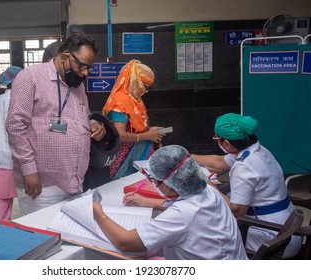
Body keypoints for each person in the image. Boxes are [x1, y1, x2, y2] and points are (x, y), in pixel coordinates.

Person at [5, 32, 106, 215]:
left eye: (88, 68)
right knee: (42, 238)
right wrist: (29, 170)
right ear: (65, 56)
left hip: (75, 181)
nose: (85, 73)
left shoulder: (78, 85)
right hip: (42, 185)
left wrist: (92, 124)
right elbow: (15, 125)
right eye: (82, 66)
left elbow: (83, 115)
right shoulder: (30, 77)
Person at [93, 145, 248, 260]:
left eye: (153, 179)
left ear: (168, 183)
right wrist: (145, 201)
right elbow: (181, 206)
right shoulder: (209, 189)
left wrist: (99, 213)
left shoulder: (181, 214)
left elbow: (125, 242)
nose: (152, 183)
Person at [192, 112, 302, 259]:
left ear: (226, 143)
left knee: (203, 237)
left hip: (274, 241)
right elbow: (220, 162)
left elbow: (237, 211)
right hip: (288, 228)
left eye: (216, 139)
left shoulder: (244, 166)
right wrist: (187, 157)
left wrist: (208, 184)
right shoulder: (258, 150)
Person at [102, 59, 166, 180]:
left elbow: (133, 126)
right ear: (134, 81)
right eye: (144, 86)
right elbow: (120, 135)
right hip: (124, 157)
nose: (145, 91)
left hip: (136, 150)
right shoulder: (121, 101)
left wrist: (149, 130)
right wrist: (148, 135)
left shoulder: (133, 98)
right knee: (124, 187)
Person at [0, 66, 22, 220]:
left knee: (2, 199)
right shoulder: (19, 101)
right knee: (28, 196)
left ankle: (2, 227)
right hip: (18, 154)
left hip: (0, 156)